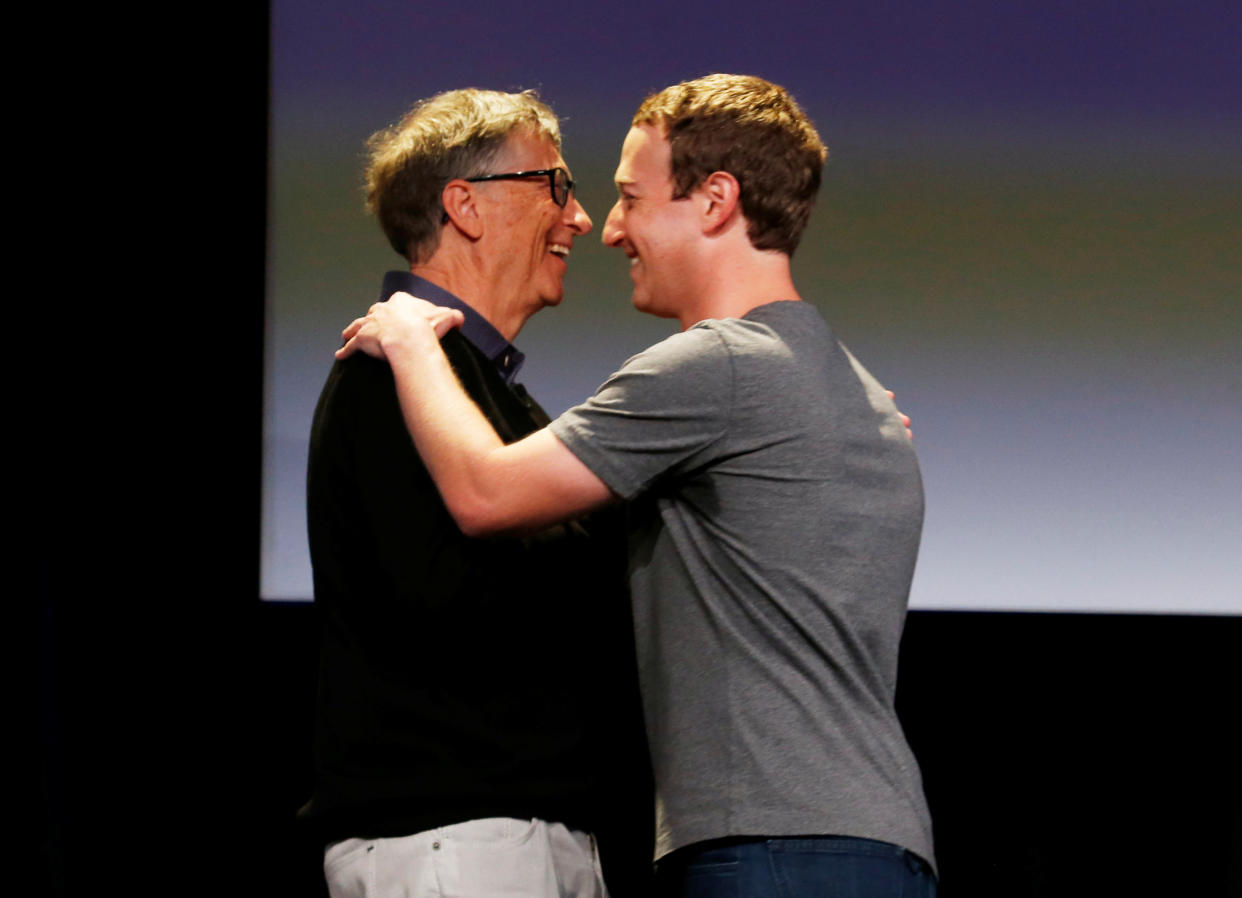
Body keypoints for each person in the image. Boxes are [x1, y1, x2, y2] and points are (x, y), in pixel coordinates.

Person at [338, 74, 937, 897]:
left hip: (768, 845)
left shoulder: (718, 365)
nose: (606, 227)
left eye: (628, 197)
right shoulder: (851, 394)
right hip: (877, 839)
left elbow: (486, 493)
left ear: (716, 201)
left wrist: (408, 339)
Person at [302, 88, 651, 898]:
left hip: (501, 832)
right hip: (453, 838)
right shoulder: (391, 371)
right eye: (555, 187)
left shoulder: (480, 392)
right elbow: (453, 601)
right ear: (465, 205)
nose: (581, 219)